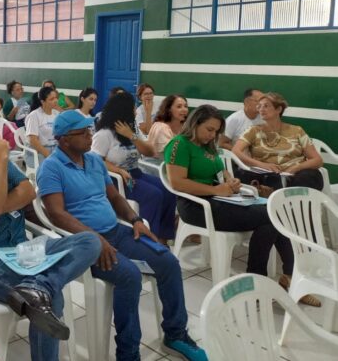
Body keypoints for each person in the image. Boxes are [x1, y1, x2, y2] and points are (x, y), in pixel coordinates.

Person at [38, 111, 207, 361]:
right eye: (82, 133)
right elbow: (56, 214)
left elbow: (115, 197)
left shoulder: (94, 161)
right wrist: (95, 239)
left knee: (168, 262)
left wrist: (135, 220)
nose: (89, 136)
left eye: (89, 130)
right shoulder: (51, 168)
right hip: (85, 245)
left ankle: (176, 334)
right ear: (63, 140)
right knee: (129, 276)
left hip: (117, 233)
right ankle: (127, 353)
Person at [0, 104, 101, 361]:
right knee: (52, 301)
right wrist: (4, 160)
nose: (1, 134)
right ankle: (41, 291)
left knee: (90, 242)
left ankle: (37, 287)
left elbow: (29, 191)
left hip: (23, 250)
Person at [165, 105, 318, 306]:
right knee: (272, 216)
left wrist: (231, 181)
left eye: (216, 132)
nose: (212, 136)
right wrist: (217, 190)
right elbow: (177, 183)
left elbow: (221, 171)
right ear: (195, 124)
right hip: (196, 206)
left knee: (273, 216)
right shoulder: (179, 144)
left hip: (219, 199)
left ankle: (268, 279)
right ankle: (269, 279)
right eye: (209, 130)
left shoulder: (207, 146)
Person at [92, 91, 176, 242]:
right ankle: (148, 240)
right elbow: (95, 161)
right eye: (133, 107)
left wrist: (132, 135)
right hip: (115, 179)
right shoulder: (104, 133)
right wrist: (118, 170)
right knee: (153, 195)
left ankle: (163, 237)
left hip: (135, 173)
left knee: (168, 190)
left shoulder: (132, 129)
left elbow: (150, 151)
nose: (135, 110)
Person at [232, 92, 324, 191]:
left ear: (279, 109)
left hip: (295, 175)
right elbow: (236, 151)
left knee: (310, 176)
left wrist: (296, 168)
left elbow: (317, 160)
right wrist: (262, 165)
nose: (261, 109)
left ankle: (291, 200)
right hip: (266, 174)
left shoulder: (297, 131)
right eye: (259, 106)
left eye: (266, 106)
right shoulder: (253, 130)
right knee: (243, 175)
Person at [25, 86, 60, 168]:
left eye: (56, 98)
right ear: (43, 101)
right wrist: (49, 156)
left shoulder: (56, 114)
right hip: (38, 151)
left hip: (55, 149)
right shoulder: (34, 115)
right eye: (51, 99)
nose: (55, 101)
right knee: (53, 169)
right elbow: (33, 140)